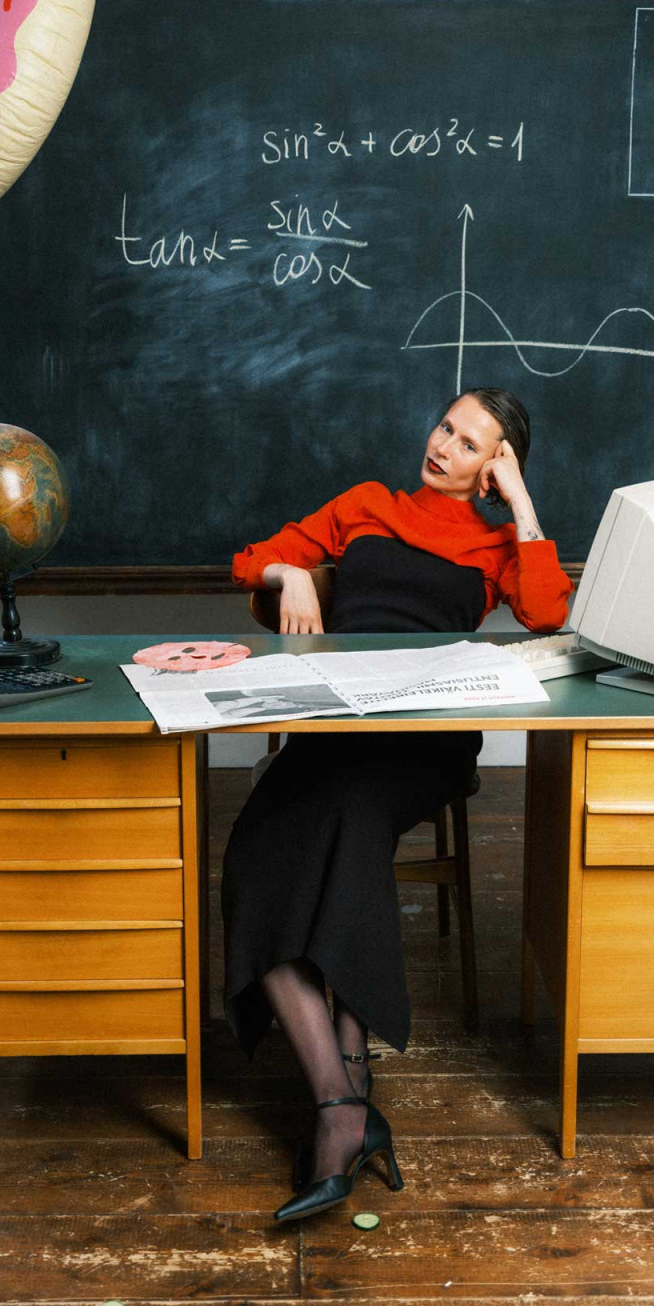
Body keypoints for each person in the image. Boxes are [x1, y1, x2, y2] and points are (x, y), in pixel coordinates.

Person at [223, 388, 572, 1221]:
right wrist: (292, 573)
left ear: (493, 464)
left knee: (344, 812)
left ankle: (339, 1111)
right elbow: (250, 559)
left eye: (470, 442)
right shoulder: (368, 506)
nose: (444, 445)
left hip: (424, 738)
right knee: (251, 851)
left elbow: (549, 610)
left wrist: (520, 503)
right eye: (445, 426)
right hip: (335, 724)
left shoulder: (496, 541)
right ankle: (346, 1091)